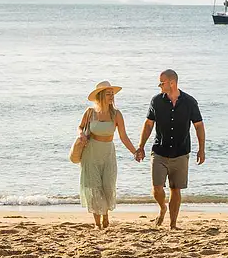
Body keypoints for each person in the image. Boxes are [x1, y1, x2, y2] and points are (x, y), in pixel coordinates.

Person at [134, 69, 205, 229]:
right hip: (159, 151)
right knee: (157, 188)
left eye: (162, 82)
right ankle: (162, 207)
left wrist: (201, 149)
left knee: (175, 189)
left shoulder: (190, 102)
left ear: (172, 82)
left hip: (181, 153)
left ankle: (173, 225)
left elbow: (199, 126)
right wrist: (141, 146)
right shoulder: (156, 101)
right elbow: (148, 124)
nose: (159, 86)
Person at [78, 81, 137, 229]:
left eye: (112, 94)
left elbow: (123, 136)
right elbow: (80, 127)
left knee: (107, 186)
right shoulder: (90, 112)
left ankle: (106, 216)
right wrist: (81, 135)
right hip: (91, 153)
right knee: (94, 187)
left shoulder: (116, 114)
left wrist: (135, 152)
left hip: (108, 153)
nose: (111, 96)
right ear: (100, 96)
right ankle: (98, 224)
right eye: (108, 94)